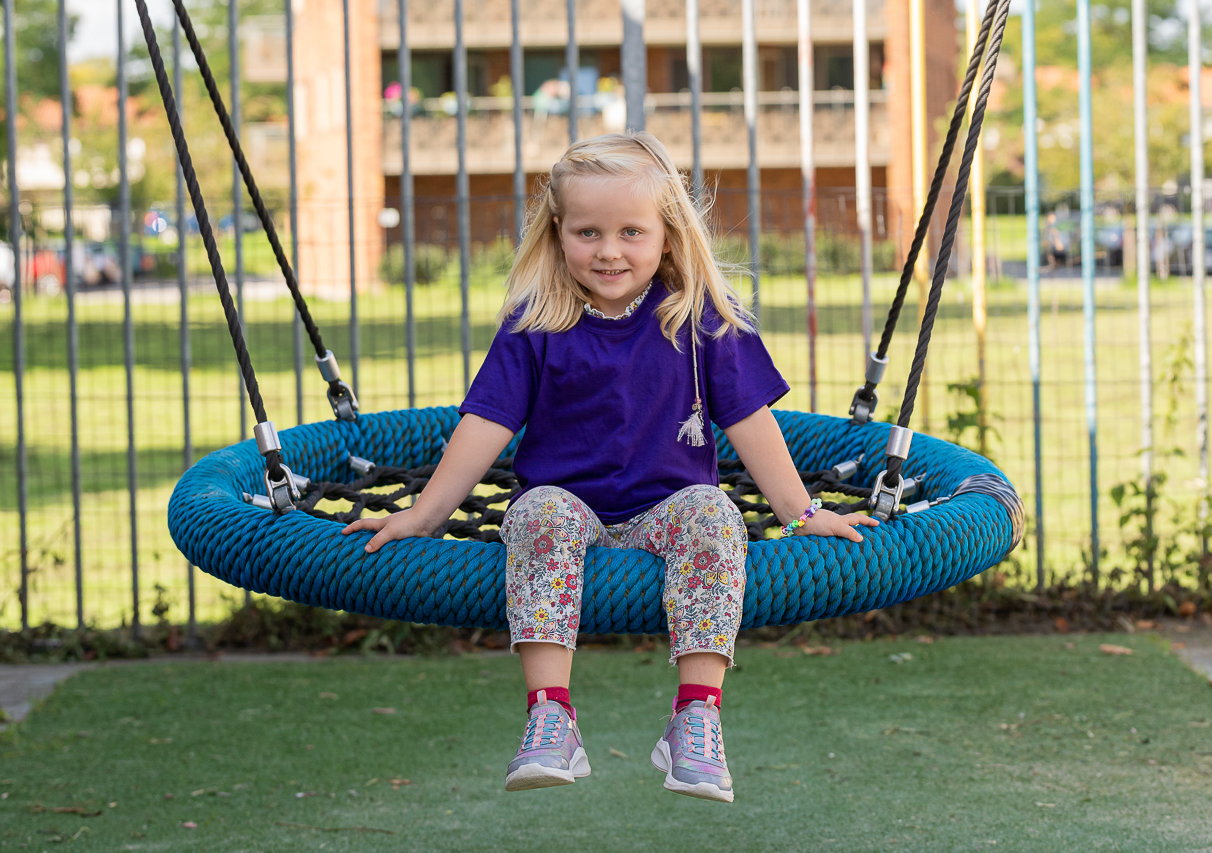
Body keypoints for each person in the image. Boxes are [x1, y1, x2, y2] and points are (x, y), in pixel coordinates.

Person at [341, 131, 878, 803]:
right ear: (558, 232)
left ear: (668, 235)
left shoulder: (699, 321)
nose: (609, 251)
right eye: (588, 232)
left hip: (670, 509)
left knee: (715, 512)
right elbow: (485, 426)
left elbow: (750, 422)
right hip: (571, 506)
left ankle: (696, 713)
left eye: (631, 231)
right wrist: (426, 514)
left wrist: (803, 512)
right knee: (535, 509)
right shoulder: (537, 321)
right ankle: (550, 713)